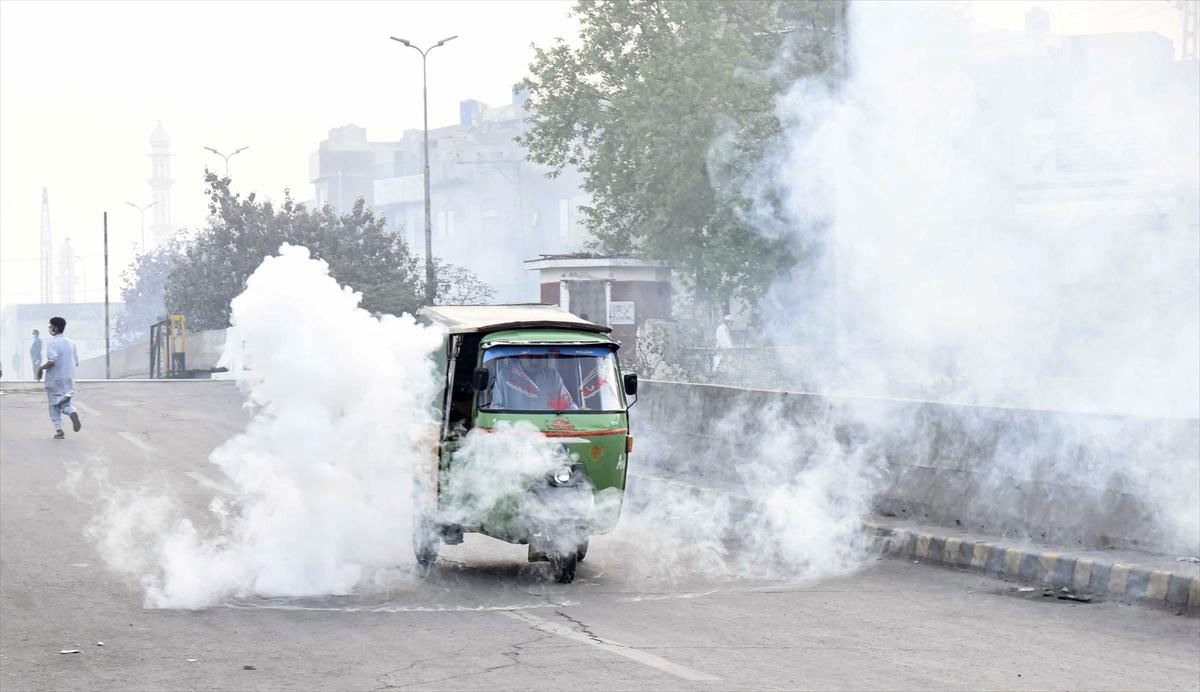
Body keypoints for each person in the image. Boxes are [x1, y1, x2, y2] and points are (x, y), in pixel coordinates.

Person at [35, 317, 81, 439]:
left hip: (55, 379)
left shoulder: (52, 343)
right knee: (66, 403)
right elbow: (76, 362)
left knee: (54, 406)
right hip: (69, 379)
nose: (50, 328)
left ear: (55, 327)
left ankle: (59, 430)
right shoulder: (71, 343)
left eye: (51, 326)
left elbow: (52, 361)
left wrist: (40, 368)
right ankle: (72, 413)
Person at [491, 354, 578, 412]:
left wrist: (579, 412)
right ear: (520, 356)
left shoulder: (552, 376)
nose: (535, 361)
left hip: (548, 429)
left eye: (538, 357)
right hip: (514, 431)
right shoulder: (505, 375)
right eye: (530, 356)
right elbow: (496, 409)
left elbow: (566, 405)